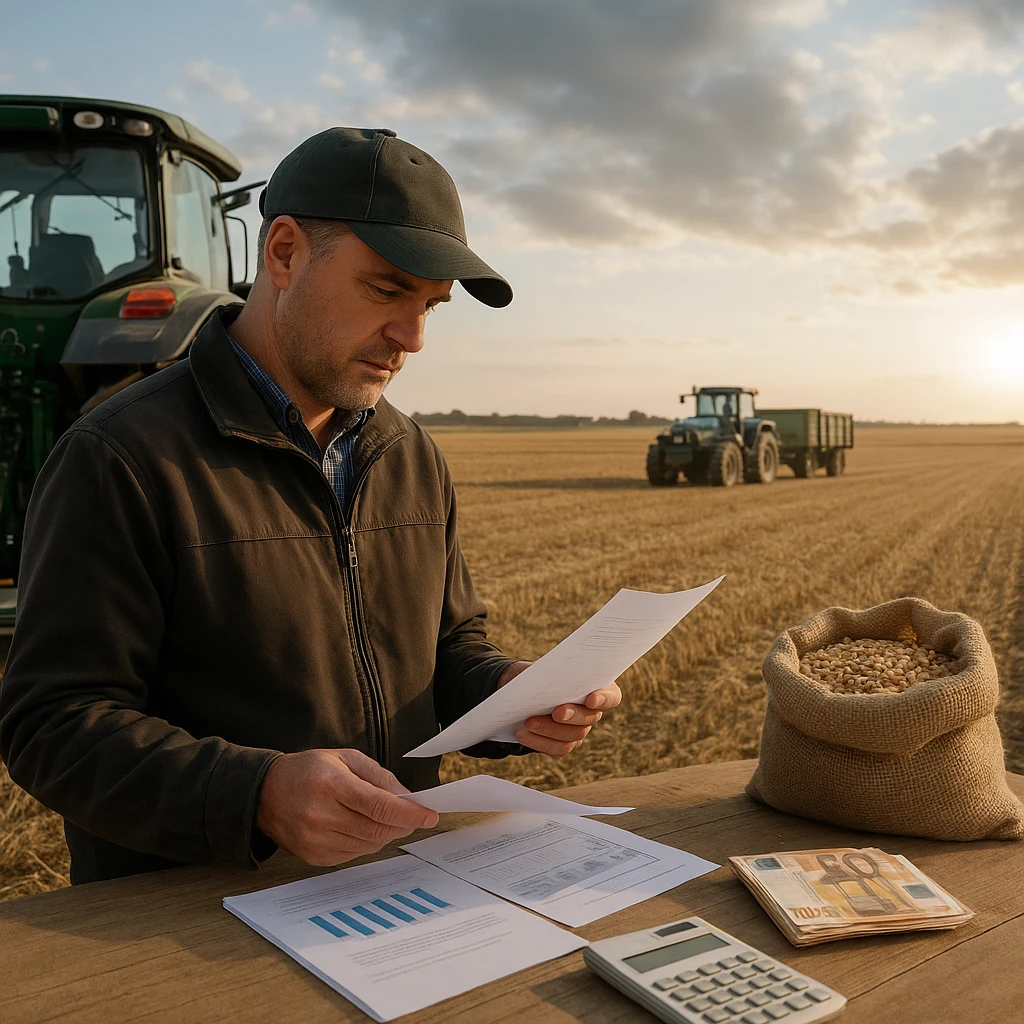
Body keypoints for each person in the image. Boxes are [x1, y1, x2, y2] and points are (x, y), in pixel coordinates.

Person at [0, 127, 621, 883]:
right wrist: (255, 795)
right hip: (195, 924)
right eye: (388, 289)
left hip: (395, 890)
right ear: (284, 253)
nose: (413, 337)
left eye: (432, 305)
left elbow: (449, 650)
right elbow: (52, 727)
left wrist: (505, 695)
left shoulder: (410, 456)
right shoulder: (121, 457)